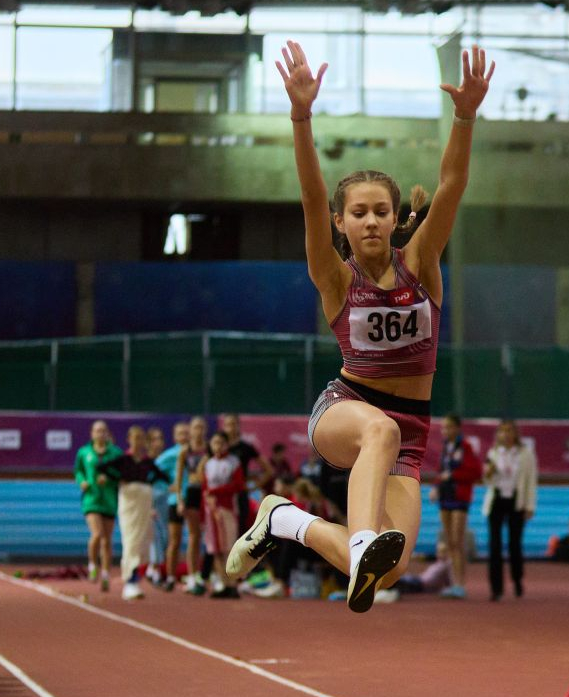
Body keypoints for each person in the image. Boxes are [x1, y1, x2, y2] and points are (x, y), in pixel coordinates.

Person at [226, 40, 494, 613]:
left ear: (396, 219)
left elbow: (450, 185)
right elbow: (309, 192)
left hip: (411, 431)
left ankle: (284, 519)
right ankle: (363, 537)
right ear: (340, 223)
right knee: (379, 434)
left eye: (380, 211)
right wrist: (301, 116)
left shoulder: (419, 265)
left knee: (388, 571)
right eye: (358, 212)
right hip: (346, 410)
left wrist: (465, 116)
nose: (370, 220)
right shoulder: (335, 279)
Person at [100, 425, 170, 601]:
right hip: (129, 504)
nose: (138, 441)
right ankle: (129, 581)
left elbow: (163, 477)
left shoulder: (147, 462)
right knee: (131, 540)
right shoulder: (123, 460)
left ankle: (136, 579)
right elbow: (102, 468)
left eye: (141, 438)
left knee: (144, 541)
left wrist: (148, 483)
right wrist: (117, 479)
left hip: (144, 503)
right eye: (135, 438)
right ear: (129, 439)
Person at [482, 420, 537, 601]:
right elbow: (486, 479)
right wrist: (488, 473)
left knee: (515, 545)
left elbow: (530, 481)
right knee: (495, 546)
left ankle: (517, 579)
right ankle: (496, 587)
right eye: (502, 431)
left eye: (509, 431)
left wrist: (529, 506)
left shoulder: (525, 454)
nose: (505, 435)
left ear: (515, 434)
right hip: (497, 500)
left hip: (516, 501)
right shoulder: (494, 452)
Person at [435, 413, 480, 599]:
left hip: (459, 498)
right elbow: (441, 471)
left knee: (457, 541)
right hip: (445, 496)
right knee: (449, 541)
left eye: (449, 427)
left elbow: (475, 472)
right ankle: (454, 583)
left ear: (457, 428)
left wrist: (452, 477)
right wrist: (436, 486)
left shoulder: (466, 447)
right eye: (443, 428)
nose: (445, 431)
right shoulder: (446, 447)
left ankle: (461, 584)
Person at [73, 420, 121, 592]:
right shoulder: (84, 452)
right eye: (97, 430)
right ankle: (93, 565)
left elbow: (121, 472)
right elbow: (78, 470)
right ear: (92, 433)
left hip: (109, 499)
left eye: (103, 430)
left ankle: (106, 573)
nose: (100, 433)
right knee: (97, 534)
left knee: (107, 540)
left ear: (107, 433)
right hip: (92, 499)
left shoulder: (115, 453)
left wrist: (109, 478)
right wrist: (82, 481)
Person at [200, 431, 247, 599]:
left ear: (227, 444)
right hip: (210, 511)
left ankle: (233, 584)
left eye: (221, 443)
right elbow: (204, 489)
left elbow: (238, 485)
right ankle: (224, 583)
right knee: (215, 549)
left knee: (228, 548)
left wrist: (216, 491)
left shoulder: (233, 462)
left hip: (227, 510)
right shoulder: (208, 464)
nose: (217, 446)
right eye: (214, 443)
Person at [178, 416, 210, 595]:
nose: (198, 430)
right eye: (196, 427)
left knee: (208, 537)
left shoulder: (208, 449)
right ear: (190, 430)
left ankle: (205, 574)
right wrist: (180, 500)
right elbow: (179, 478)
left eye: (201, 427)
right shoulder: (185, 451)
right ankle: (192, 575)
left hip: (205, 494)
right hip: (191, 493)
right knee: (194, 535)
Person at [157, 420, 189, 591]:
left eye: (186, 432)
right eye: (181, 433)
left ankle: (193, 576)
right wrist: (166, 487)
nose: (184, 436)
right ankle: (170, 577)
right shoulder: (170, 455)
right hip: (175, 501)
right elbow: (152, 471)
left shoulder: (194, 454)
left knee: (194, 540)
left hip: (193, 501)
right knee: (174, 540)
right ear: (175, 437)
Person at [145, 426, 170, 584]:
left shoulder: (167, 460)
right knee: (155, 536)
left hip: (166, 501)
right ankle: (154, 568)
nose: (158, 442)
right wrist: (148, 506)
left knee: (166, 536)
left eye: (160, 438)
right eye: (154, 439)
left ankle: (158, 566)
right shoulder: (146, 462)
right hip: (151, 501)